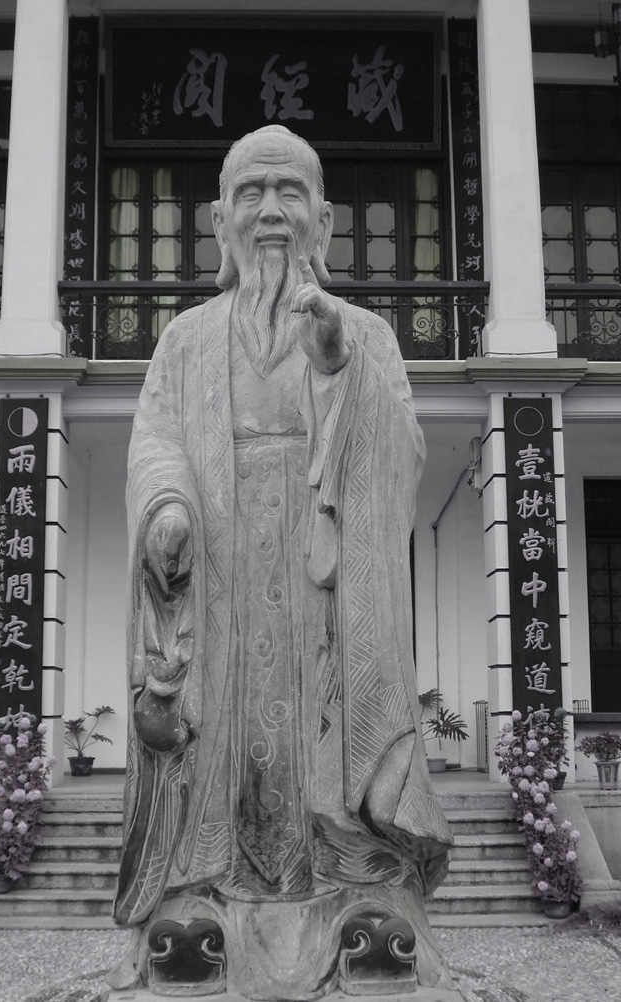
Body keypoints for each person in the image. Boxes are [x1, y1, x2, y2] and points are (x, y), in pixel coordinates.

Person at [109, 125, 455, 999]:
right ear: (217, 219)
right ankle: (199, 904)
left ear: (326, 222)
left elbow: (403, 455)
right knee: (213, 744)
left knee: (329, 752)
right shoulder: (185, 340)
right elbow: (153, 440)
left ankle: (359, 902)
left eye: (290, 192)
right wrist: (167, 511)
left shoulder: (365, 333)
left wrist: (340, 368)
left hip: (320, 588)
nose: (272, 211)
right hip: (221, 580)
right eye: (253, 193)